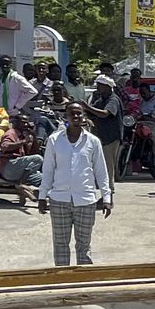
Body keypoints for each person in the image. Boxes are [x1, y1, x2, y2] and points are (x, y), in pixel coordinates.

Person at [38, 102, 111, 266]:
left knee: (84, 246)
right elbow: (48, 170)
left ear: (84, 116)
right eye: (72, 114)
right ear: (66, 117)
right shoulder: (54, 140)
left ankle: (83, 282)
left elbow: (101, 171)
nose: (76, 116)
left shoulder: (93, 141)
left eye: (79, 113)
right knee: (60, 245)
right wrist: (42, 196)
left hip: (86, 200)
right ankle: (62, 281)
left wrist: (106, 197)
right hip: (59, 200)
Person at [86, 75, 125, 190]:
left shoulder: (113, 99)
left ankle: (109, 193)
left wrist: (87, 107)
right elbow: (92, 111)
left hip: (111, 137)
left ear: (107, 87)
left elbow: (105, 113)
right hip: (103, 137)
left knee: (108, 166)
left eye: (99, 85)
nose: (97, 88)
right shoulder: (101, 99)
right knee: (102, 165)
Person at [0, 112, 44, 188]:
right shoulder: (11, 133)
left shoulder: (24, 135)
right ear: (16, 123)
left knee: (44, 178)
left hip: (19, 169)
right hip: (8, 167)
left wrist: (33, 134)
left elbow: (35, 152)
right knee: (38, 158)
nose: (25, 125)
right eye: (23, 123)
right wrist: (24, 142)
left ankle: (24, 182)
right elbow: (5, 146)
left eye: (27, 123)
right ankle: (21, 183)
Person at [136, 83, 155, 178]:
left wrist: (151, 116)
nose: (143, 95)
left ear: (149, 91)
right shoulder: (142, 101)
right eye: (141, 93)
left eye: (144, 93)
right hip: (142, 124)